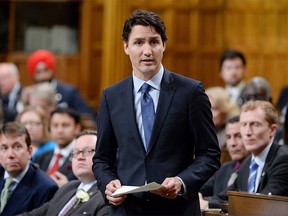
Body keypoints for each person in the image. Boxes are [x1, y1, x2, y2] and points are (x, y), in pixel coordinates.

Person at [92, 9, 221, 216]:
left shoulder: (190, 92)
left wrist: (182, 181)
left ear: (164, 45)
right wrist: (108, 184)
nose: (147, 51)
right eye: (138, 42)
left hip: (176, 209)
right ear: (126, 47)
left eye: (154, 42)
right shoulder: (111, 96)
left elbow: (210, 154)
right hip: (127, 209)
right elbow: (102, 159)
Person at [210, 100, 288, 207]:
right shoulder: (248, 162)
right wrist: (204, 202)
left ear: (272, 130)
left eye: (255, 124)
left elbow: (262, 205)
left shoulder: (283, 159)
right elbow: (227, 196)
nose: (247, 132)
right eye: (243, 125)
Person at [19, 130, 110, 216]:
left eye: (88, 151)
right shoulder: (68, 187)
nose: (80, 157)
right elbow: (38, 213)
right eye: (76, 152)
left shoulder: (108, 196)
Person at [0, 122, 58, 215]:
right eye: (4, 148)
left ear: (29, 151)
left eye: (17, 147)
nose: (10, 155)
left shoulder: (46, 188)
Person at [26, 49, 97, 123]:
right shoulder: (29, 94)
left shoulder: (69, 92)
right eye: (38, 72)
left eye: (46, 70)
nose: (43, 75)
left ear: (52, 70)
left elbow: (87, 116)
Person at [199, 115, 250, 209]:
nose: (232, 143)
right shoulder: (223, 168)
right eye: (228, 137)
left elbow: (232, 200)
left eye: (238, 136)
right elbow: (200, 188)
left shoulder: (253, 171)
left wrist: (205, 202)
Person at [34, 107, 81, 187]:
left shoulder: (82, 157)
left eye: (65, 125)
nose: (60, 130)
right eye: (55, 125)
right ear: (50, 129)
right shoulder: (41, 157)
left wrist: (67, 187)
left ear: (77, 128)